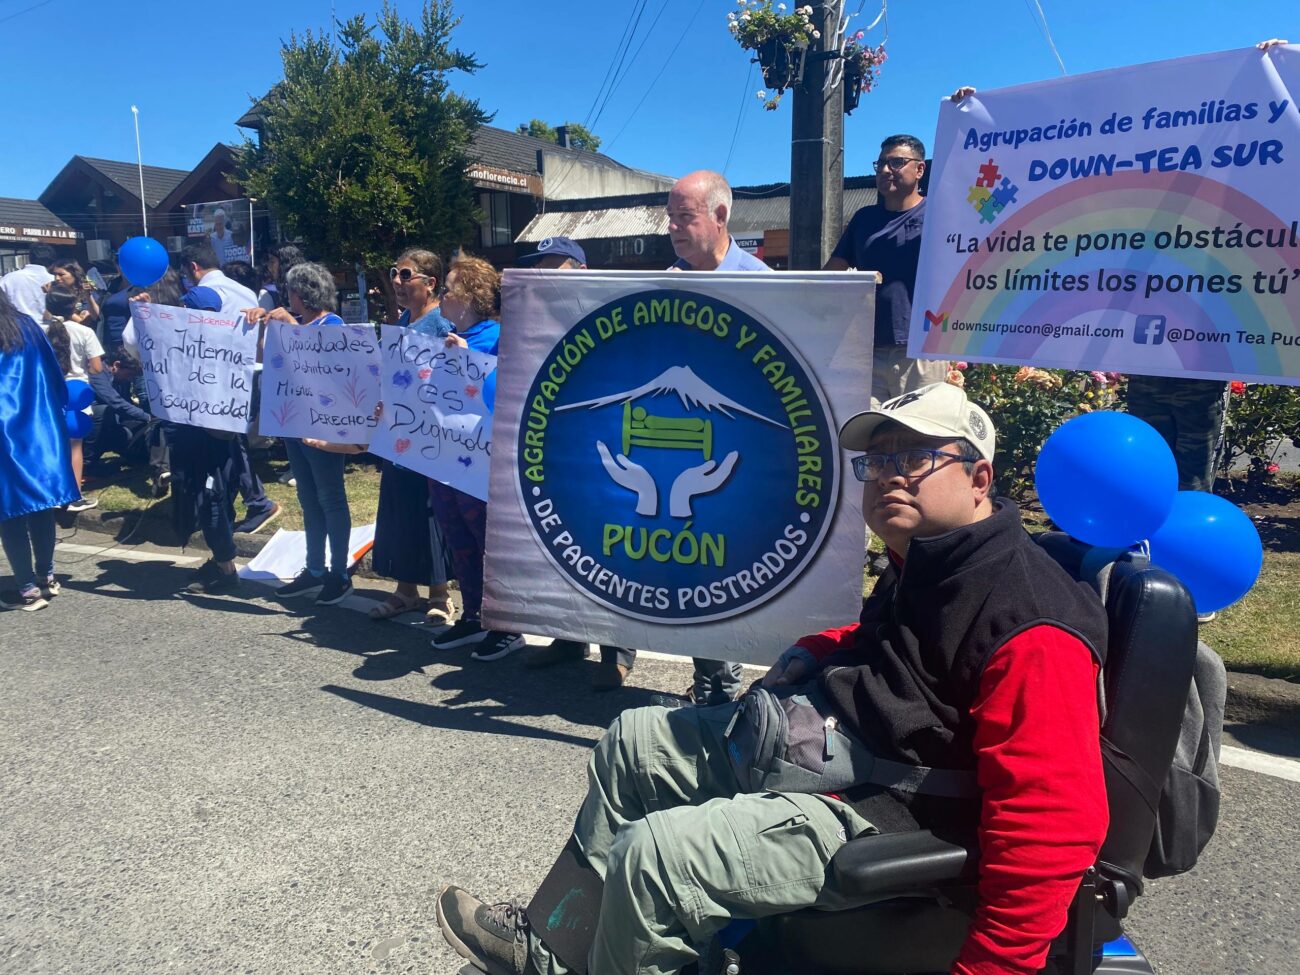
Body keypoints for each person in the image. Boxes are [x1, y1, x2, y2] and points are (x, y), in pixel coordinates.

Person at [436, 382, 1110, 975]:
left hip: (890, 814)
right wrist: (822, 646)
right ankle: (559, 954)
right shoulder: (930, 558)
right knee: (633, 740)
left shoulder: (1031, 626)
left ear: (979, 478)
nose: (888, 477)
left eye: (914, 458)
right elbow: (903, 649)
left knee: (656, 858)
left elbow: (1050, 827)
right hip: (843, 758)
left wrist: (990, 967)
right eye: (877, 461)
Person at [514, 237, 636, 691]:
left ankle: (618, 650)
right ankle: (568, 639)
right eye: (539, 268)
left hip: (601, 443)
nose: (544, 276)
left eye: (553, 267)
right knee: (562, 544)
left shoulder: (608, 312)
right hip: (557, 447)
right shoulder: (538, 321)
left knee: (606, 546)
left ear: (579, 269)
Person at [665, 169, 767, 704]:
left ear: (720, 216)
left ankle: (724, 683)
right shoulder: (667, 277)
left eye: (686, 217)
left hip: (739, 439)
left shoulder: (761, 281)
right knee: (689, 557)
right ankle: (708, 674)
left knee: (728, 557)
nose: (676, 229)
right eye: (671, 218)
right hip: (684, 436)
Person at [428, 256, 524, 661]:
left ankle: (507, 625)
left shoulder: (500, 338)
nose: (442, 295)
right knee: (457, 537)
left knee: (487, 540)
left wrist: (468, 361)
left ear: (470, 297)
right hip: (445, 459)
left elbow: (504, 393)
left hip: (482, 463)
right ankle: (473, 614)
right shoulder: (444, 336)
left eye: (448, 289)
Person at [243, 263, 355, 606]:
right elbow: (264, 358)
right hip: (294, 424)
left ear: (302, 293)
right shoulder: (297, 324)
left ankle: (339, 572)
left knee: (330, 497)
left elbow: (328, 367)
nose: (286, 296)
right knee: (308, 499)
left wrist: (290, 327)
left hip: (322, 426)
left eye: (289, 290)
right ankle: (315, 568)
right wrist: (263, 327)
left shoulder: (332, 324)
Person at [826, 133, 951, 407]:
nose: (885, 170)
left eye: (896, 162)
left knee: (920, 442)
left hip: (922, 352)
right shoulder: (863, 219)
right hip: (868, 353)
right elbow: (829, 277)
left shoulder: (941, 214)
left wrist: (966, 110)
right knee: (872, 442)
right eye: (880, 164)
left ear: (920, 169)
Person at [366, 248, 457, 623]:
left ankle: (440, 594)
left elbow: (452, 378)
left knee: (428, 509)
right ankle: (405, 591)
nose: (397, 283)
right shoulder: (403, 320)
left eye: (405, 275)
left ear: (430, 283)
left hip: (429, 435)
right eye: (395, 274)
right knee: (400, 507)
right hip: (399, 433)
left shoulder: (440, 325)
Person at [175, 242, 281, 535]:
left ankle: (254, 501)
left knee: (230, 443)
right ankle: (245, 500)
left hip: (216, 382)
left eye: (187, 273)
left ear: (193, 268)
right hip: (247, 377)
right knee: (235, 442)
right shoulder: (244, 292)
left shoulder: (203, 296)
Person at [0, 289, 78, 610]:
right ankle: (47, 577)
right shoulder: (27, 326)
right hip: (36, 426)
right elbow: (53, 375)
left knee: (9, 512)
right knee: (40, 505)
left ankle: (27, 588)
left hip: (4, 434)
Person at [44, 286, 104, 511]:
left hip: (51, 390)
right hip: (77, 391)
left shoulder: (43, 331)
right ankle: (74, 496)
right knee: (75, 445)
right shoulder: (84, 332)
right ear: (74, 306)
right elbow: (97, 367)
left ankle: (54, 493)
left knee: (55, 444)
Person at [667, 170, 770, 272]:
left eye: (685, 214)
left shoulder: (761, 283)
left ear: (720, 216)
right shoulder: (662, 283)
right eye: (671, 215)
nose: (672, 226)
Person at [0, 243, 56, 323]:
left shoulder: (8, 279)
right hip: (49, 329)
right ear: (52, 261)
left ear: (30, 258)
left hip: (17, 328)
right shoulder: (55, 281)